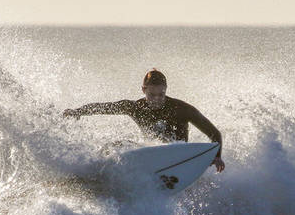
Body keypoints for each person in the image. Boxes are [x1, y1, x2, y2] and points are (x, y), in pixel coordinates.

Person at [63, 69, 226, 172]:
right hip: (152, 154)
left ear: (166, 90)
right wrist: (78, 112)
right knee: (114, 146)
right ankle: (95, 174)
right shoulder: (135, 107)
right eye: (151, 95)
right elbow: (105, 107)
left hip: (179, 157)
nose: (156, 99)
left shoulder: (182, 109)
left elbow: (214, 133)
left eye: (161, 94)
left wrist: (216, 156)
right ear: (143, 90)